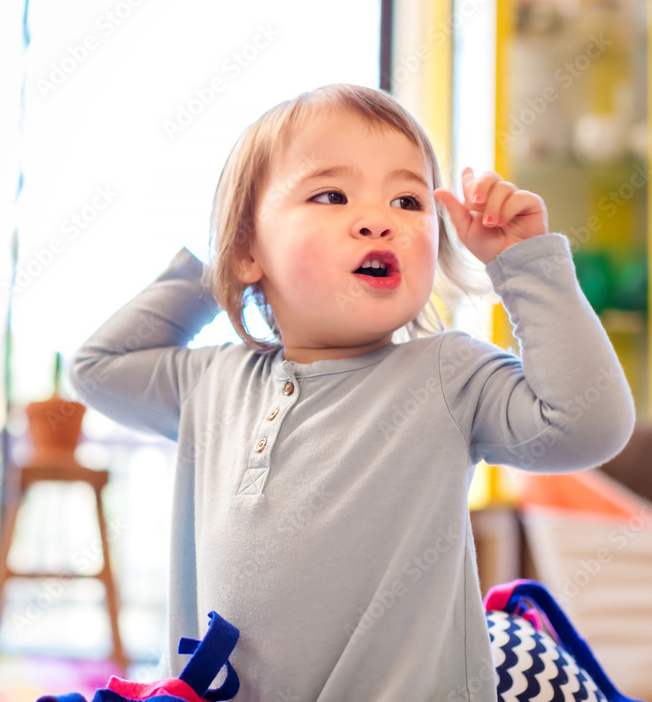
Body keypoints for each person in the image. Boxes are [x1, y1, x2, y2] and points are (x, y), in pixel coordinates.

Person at [67, 83, 635, 701]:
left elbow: (588, 424)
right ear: (248, 248)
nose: (378, 219)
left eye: (408, 200)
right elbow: (97, 366)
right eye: (331, 195)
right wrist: (218, 265)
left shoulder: (447, 375)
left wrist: (527, 266)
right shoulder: (212, 381)